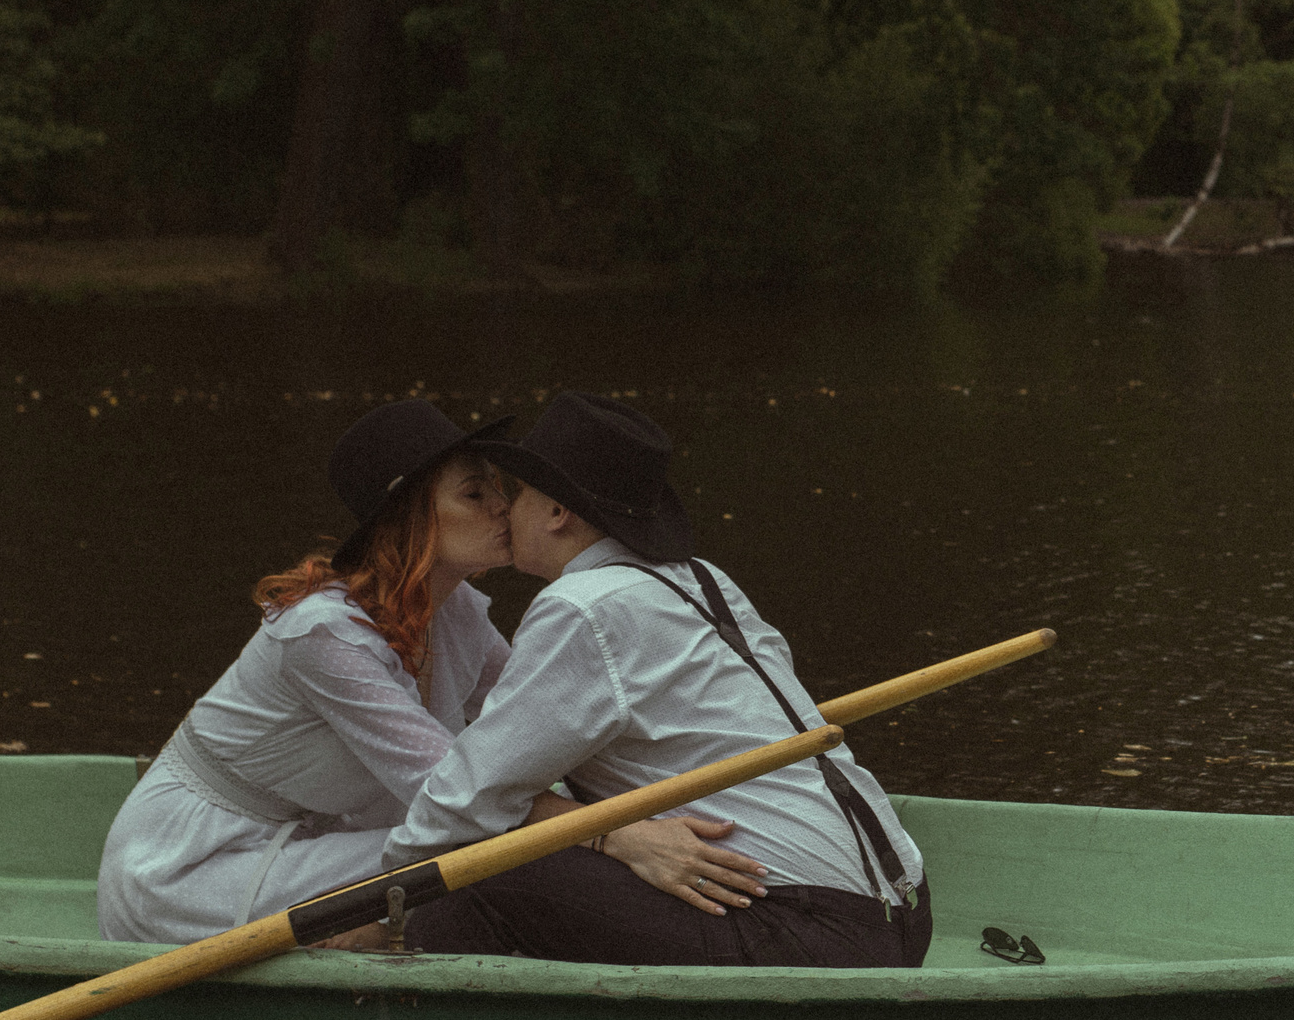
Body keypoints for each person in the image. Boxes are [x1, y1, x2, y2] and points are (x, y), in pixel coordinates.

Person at [96, 401, 750, 944]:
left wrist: (659, 785)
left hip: (314, 843)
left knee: (491, 849)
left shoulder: (458, 608)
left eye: (498, 486)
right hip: (192, 866)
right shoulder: (324, 633)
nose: (503, 504)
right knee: (476, 855)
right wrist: (614, 834)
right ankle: (371, 945)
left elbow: (533, 724)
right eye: (475, 491)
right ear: (411, 516)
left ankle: (380, 933)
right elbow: (457, 790)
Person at [386, 391, 931, 968]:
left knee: (480, 883)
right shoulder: (701, 578)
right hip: (906, 914)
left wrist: (380, 905)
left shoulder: (583, 606)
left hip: (810, 931)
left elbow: (465, 801)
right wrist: (612, 837)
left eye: (517, 493)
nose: (503, 509)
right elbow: (497, 783)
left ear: (555, 513)